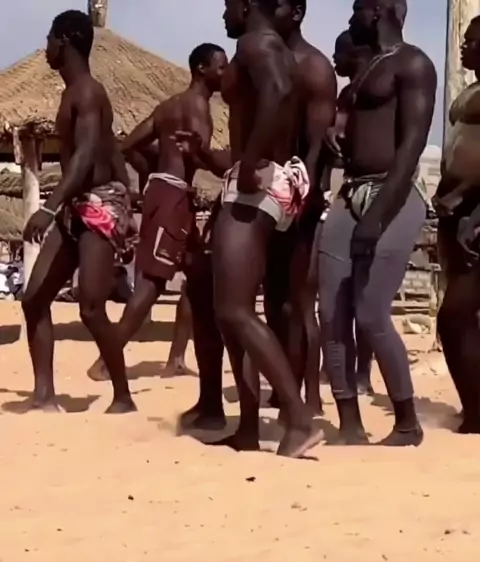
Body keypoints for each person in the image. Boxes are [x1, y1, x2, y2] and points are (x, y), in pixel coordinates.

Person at [177, 0, 322, 458]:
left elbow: (277, 94)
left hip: (255, 186)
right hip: (265, 181)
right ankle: (247, 428)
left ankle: (298, 420)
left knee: (235, 310)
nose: (224, 14)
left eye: (228, 5)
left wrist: (248, 163)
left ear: (246, 5)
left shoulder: (256, 43)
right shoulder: (272, 47)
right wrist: (218, 157)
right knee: (230, 313)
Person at [317, 0, 436, 446]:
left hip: (394, 193)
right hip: (351, 191)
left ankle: (406, 423)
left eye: (355, 9)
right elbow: (348, 121)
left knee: (370, 312)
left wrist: (378, 215)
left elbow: (411, 147)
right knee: (331, 312)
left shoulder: (414, 64)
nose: (349, 18)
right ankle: (349, 423)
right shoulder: (365, 70)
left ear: (376, 11)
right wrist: (336, 132)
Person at [86, 42, 228, 380]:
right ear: (202, 69)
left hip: (167, 195)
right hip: (174, 198)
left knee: (199, 275)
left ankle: (176, 358)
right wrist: (213, 163)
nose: (226, 73)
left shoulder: (167, 106)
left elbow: (128, 146)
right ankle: (106, 360)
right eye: (221, 67)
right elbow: (197, 154)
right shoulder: (197, 106)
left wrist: (153, 170)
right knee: (152, 283)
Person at [22, 10, 137, 413]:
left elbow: (87, 155)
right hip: (77, 205)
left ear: (65, 40)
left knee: (90, 307)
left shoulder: (87, 92)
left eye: (50, 38)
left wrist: (48, 208)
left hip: (97, 204)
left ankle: (123, 396)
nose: (46, 46)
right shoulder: (74, 92)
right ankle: (44, 396)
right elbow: (109, 147)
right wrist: (128, 188)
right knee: (34, 299)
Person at [264, 0, 337, 415]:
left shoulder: (313, 67)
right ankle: (284, 384)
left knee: (300, 301)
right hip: (265, 195)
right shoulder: (264, 58)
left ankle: (310, 394)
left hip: (299, 198)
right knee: (273, 299)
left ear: (294, 11)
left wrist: (300, 198)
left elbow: (315, 147)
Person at [434, 16, 480, 434]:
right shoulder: (470, 91)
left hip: (475, 215)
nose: (465, 46)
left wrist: (470, 205)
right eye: (463, 40)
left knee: (454, 316)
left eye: (473, 40)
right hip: (456, 213)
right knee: (463, 317)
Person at [327, 29, 375, 396]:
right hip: (345, 185)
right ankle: (343, 366)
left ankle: (363, 372)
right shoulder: (346, 95)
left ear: (355, 54)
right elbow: (339, 134)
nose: (334, 60)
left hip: (372, 191)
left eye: (339, 53)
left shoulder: (376, 91)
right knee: (339, 290)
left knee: (364, 291)